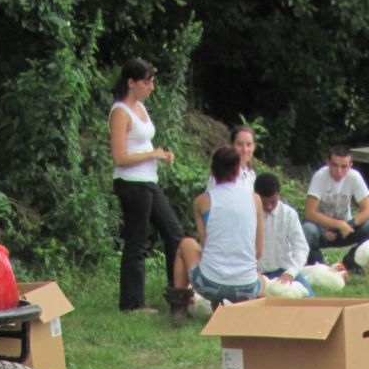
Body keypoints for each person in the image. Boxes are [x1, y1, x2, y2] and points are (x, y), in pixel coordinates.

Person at [109, 58, 184, 313]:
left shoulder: (140, 107)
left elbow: (141, 144)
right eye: (147, 81)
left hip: (149, 181)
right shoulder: (120, 111)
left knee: (174, 232)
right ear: (131, 83)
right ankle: (132, 303)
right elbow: (119, 156)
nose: (151, 87)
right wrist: (151, 156)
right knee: (137, 241)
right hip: (131, 184)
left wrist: (161, 154)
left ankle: (178, 290)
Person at [167, 146, 263, 322]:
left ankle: (178, 309)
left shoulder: (202, 202)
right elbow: (258, 251)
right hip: (247, 287)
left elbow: (206, 245)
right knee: (259, 277)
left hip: (211, 285)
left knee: (186, 244)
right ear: (238, 171)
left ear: (212, 172)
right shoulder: (255, 199)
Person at [302, 145, 369, 271]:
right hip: (321, 230)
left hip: (346, 229)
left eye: (343, 167)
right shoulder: (320, 176)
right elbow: (309, 213)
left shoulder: (354, 177)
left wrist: (348, 225)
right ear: (328, 163)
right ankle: (318, 266)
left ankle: (350, 263)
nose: (339, 171)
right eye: (334, 165)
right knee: (306, 230)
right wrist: (337, 225)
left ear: (350, 166)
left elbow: (368, 210)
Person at [254, 172, 312, 293]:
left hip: (284, 271)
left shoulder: (289, 215)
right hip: (257, 273)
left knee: (309, 299)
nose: (269, 207)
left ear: (279, 195)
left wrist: (290, 273)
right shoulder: (249, 215)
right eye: (264, 203)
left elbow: (301, 248)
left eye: (273, 202)